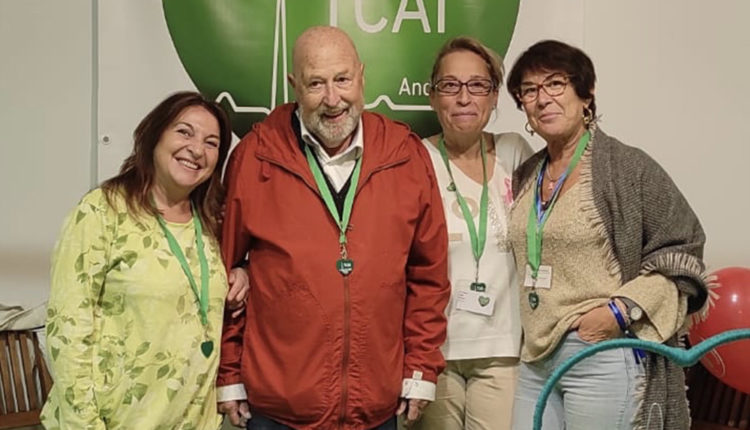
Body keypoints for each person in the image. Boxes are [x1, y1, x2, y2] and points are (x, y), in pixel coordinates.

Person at [216, 26, 451, 430]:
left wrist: (420, 368)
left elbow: (428, 276)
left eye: (342, 79)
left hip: (375, 407)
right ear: (293, 85)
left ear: (362, 76)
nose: (332, 99)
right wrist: (229, 375)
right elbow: (225, 274)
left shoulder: (405, 154)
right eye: (315, 84)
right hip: (276, 410)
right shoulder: (255, 156)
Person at [504, 40, 709, 429]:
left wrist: (619, 312)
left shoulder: (628, 168)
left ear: (586, 94)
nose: (542, 99)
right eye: (529, 90)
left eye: (555, 83)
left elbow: (684, 248)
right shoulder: (527, 173)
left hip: (599, 353)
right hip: (535, 358)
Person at [41, 91, 233, 429]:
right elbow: (68, 330)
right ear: (154, 135)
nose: (197, 149)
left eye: (211, 143)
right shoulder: (102, 211)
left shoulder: (211, 224)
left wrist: (242, 271)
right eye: (184, 132)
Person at [414, 37, 533, 430]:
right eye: (450, 85)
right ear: (433, 97)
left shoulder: (515, 152)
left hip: (502, 350)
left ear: (494, 96)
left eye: (478, 85)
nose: (464, 98)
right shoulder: (416, 158)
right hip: (435, 350)